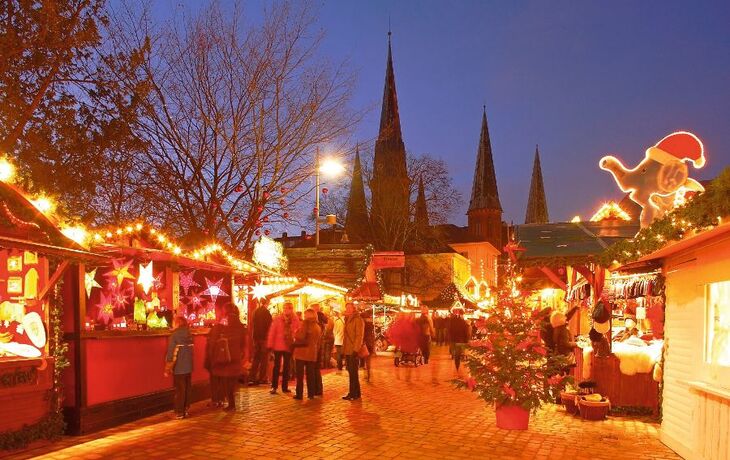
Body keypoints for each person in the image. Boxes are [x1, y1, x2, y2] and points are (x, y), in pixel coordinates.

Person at [206, 304, 246, 411]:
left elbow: (216, 339)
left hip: (225, 355)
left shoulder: (224, 324)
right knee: (231, 382)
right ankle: (230, 403)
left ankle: (229, 404)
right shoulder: (240, 325)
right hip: (235, 355)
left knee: (225, 381)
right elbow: (243, 342)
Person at [267, 302, 299, 394]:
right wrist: (270, 345)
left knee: (287, 367)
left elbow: (297, 331)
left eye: (288, 308)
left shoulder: (295, 319)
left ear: (291, 309)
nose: (286, 309)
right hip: (278, 345)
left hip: (289, 345)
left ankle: (285, 386)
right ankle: (274, 386)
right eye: (284, 308)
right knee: (276, 366)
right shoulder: (278, 319)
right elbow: (272, 332)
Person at [166, 316, 194, 419]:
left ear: (177, 323)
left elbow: (171, 352)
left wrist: (168, 364)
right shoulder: (189, 334)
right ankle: (186, 409)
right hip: (189, 366)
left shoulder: (175, 336)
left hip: (179, 366)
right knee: (187, 388)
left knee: (179, 390)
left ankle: (179, 412)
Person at [292, 308, 322, 400]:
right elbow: (319, 342)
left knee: (300, 375)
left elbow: (300, 336)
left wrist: (295, 333)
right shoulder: (317, 326)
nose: (304, 316)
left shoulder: (306, 324)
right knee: (311, 374)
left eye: (305, 315)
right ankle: (311, 393)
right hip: (312, 352)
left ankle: (299, 394)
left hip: (302, 352)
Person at [342, 302, 364, 400]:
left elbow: (359, 335)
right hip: (348, 349)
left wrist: (356, 349)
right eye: (347, 308)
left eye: (350, 308)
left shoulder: (357, 319)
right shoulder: (347, 319)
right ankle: (356, 393)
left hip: (353, 350)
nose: (348, 309)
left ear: (353, 309)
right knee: (352, 372)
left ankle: (353, 393)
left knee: (353, 372)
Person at [248, 299, 273, 386]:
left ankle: (252, 377)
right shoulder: (266, 313)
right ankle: (262, 378)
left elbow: (253, 324)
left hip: (256, 337)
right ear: (266, 303)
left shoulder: (255, 312)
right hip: (264, 338)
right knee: (264, 359)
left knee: (256, 358)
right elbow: (270, 326)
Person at [311, 303, 327, 396]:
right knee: (315, 369)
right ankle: (317, 389)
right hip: (317, 348)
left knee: (315, 369)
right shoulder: (320, 321)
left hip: (316, 348)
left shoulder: (317, 324)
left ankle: (316, 389)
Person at [448, 308, 470, 377]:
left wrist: (449, 338)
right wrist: (466, 340)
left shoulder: (451, 321)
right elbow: (466, 332)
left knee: (455, 353)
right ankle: (457, 366)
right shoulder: (463, 322)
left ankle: (456, 365)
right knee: (458, 354)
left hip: (453, 339)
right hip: (460, 340)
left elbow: (449, 330)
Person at [361, 311, 375, 381]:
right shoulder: (371, 324)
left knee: (365, 360)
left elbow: (362, 335)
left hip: (365, 343)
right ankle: (368, 374)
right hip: (370, 343)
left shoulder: (363, 325)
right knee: (368, 360)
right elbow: (372, 335)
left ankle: (367, 375)